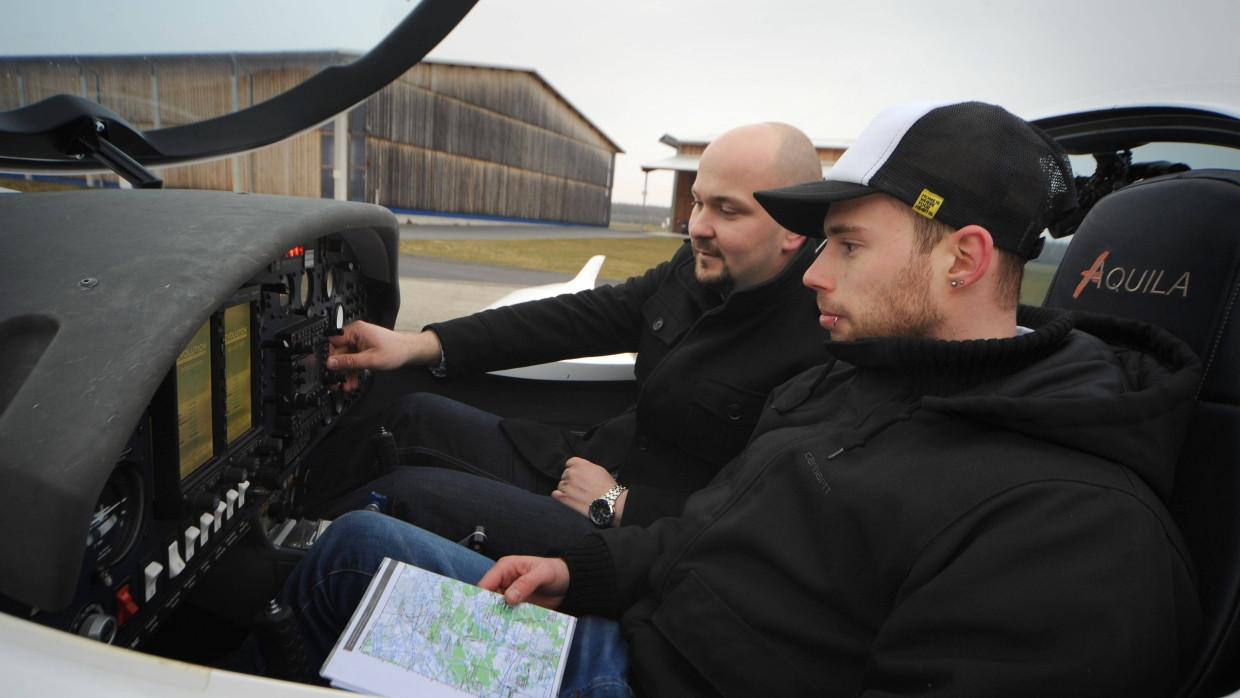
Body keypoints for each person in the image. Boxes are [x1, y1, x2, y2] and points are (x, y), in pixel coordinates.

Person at [255, 101, 1204, 696]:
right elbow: (714, 531)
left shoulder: (1074, 529)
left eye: (847, 244)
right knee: (357, 549)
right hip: (631, 634)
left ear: (963, 258)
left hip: (628, 679)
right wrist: (589, 574)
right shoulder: (860, 377)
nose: (815, 274)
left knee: (350, 564)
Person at [316, 122, 830, 556]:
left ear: (793, 228)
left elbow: (768, 516)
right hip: (585, 461)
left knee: (404, 496)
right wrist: (416, 344)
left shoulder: (818, 340)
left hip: (633, 534)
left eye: (728, 210)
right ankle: (286, 523)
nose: (698, 227)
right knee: (414, 413)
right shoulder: (694, 270)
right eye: (697, 203)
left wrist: (618, 503)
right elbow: (574, 318)